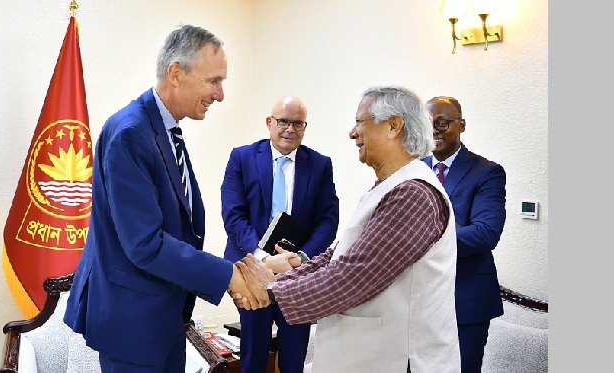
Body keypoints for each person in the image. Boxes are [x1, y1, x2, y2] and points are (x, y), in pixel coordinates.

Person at [63, 24, 262, 373]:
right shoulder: (130, 133)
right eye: (213, 81)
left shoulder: (165, 131)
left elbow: (179, 229)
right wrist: (228, 276)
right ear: (175, 74)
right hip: (132, 326)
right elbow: (145, 244)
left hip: (165, 319)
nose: (220, 94)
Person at [234, 86, 461, 373]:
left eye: (360, 122)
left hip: (399, 360)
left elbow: (354, 275)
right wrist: (294, 267)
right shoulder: (392, 186)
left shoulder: (413, 194)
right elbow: (338, 256)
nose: (353, 133)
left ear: (393, 126)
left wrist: (270, 290)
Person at [220, 95, 340, 373]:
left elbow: (327, 220)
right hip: (251, 272)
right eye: (283, 121)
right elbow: (234, 216)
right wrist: (263, 261)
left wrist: (301, 257)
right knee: (253, 353)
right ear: (269, 122)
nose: (290, 129)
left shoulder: (320, 165)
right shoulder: (242, 157)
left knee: (293, 356)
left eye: (298, 123)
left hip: (298, 274)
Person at [422, 96, 507, 373]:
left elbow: (485, 233)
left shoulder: (487, 172)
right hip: (417, 301)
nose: (434, 130)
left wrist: (422, 242)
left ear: (462, 125)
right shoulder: (411, 169)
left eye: (442, 123)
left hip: (465, 300)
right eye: (427, 123)